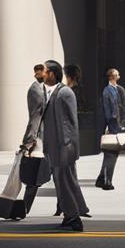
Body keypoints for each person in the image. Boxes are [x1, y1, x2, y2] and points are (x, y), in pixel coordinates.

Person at [44, 61, 88, 231]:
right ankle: (71, 214)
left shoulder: (65, 93)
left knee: (65, 181)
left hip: (64, 146)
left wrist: (69, 144)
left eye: (45, 71)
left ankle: (74, 218)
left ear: (53, 74)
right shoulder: (53, 92)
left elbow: (71, 121)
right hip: (55, 146)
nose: (42, 74)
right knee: (62, 181)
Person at [20, 63, 50, 215]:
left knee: (51, 173)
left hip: (46, 137)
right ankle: (25, 207)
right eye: (42, 71)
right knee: (35, 174)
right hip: (38, 138)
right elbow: (35, 116)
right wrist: (31, 139)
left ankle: (62, 208)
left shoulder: (43, 88)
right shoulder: (36, 90)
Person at [95, 68, 125, 191]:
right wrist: (108, 126)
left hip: (119, 126)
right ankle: (107, 181)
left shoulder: (120, 90)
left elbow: (124, 108)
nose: (119, 76)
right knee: (111, 154)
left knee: (112, 153)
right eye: (117, 74)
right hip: (112, 125)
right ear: (113, 77)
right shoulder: (107, 91)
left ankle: (101, 178)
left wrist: (124, 124)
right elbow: (107, 111)